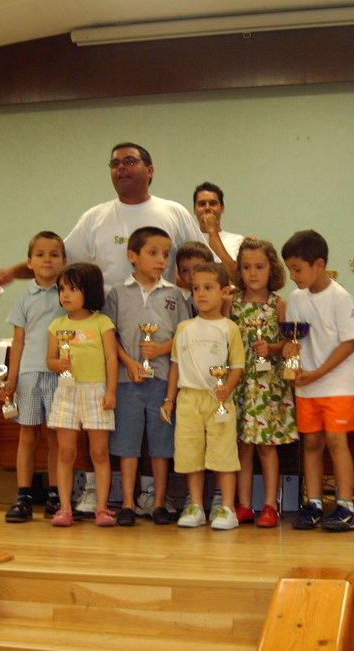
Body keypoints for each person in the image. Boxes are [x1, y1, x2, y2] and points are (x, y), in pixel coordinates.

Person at [0, 142, 205, 514]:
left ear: (150, 170)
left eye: (130, 161)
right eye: (114, 163)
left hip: (159, 329)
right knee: (103, 413)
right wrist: (13, 271)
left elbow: (199, 260)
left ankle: (152, 493)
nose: (121, 168)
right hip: (102, 329)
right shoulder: (95, 217)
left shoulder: (173, 212)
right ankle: (94, 489)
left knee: (154, 410)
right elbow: (58, 260)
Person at [103, 226, 190, 526]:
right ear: (132, 256)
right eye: (153, 253)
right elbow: (109, 335)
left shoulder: (174, 295)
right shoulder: (117, 293)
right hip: (128, 380)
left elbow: (185, 335)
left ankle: (158, 503)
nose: (161, 260)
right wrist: (128, 362)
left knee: (161, 445)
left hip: (163, 381)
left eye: (165, 254)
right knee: (127, 444)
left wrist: (163, 348)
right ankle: (128, 502)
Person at [281, 230, 354, 532]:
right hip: (307, 385)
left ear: (319, 264)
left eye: (297, 269)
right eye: (289, 269)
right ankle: (313, 503)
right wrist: (290, 357)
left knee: (336, 442)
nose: (293, 276)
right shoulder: (296, 299)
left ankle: (346, 506)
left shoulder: (340, 298)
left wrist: (319, 372)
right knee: (312, 443)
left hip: (338, 385)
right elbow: (294, 340)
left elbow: (348, 344)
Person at [162, 262, 244, 530]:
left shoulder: (229, 328)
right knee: (190, 455)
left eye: (208, 288)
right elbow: (176, 365)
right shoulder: (184, 328)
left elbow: (237, 366)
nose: (201, 294)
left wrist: (227, 388)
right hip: (188, 400)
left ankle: (227, 508)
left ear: (224, 291)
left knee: (224, 454)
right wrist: (170, 400)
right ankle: (196, 506)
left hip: (219, 401)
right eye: (196, 288)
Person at [0, 231, 67, 523]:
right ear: (29, 263)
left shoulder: (68, 298)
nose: (47, 260)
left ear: (64, 261)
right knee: (27, 435)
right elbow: (18, 343)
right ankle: (23, 496)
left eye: (54, 254)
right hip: (28, 375)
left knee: (56, 437)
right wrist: (11, 380)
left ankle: (56, 495)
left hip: (60, 375)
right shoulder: (24, 301)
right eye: (40, 254)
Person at [229, 238, 297, 528]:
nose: (253, 273)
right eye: (246, 267)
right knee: (242, 446)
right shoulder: (231, 303)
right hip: (240, 385)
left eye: (259, 267)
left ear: (272, 269)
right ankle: (244, 504)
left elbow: (289, 344)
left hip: (268, 386)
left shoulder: (279, 305)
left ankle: (270, 504)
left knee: (267, 447)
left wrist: (273, 348)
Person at [47, 262, 119, 527]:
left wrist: (111, 391)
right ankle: (65, 508)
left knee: (99, 452)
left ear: (89, 290)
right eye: (62, 289)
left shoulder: (102, 322)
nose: (65, 294)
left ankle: (102, 507)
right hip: (67, 393)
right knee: (66, 452)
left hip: (96, 392)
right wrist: (58, 364)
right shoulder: (57, 325)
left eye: (73, 289)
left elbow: (112, 358)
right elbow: (50, 360)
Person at [192, 182, 244, 279]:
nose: (207, 208)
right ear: (194, 209)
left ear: (222, 208)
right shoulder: (187, 238)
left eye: (213, 203)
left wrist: (212, 231)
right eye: (202, 204)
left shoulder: (238, 241)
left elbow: (235, 275)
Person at [176, 241, 214, 315]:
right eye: (185, 271)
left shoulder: (224, 299)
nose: (192, 276)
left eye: (198, 268)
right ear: (179, 275)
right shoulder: (184, 304)